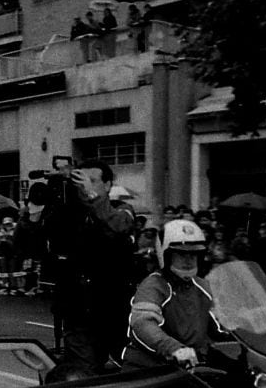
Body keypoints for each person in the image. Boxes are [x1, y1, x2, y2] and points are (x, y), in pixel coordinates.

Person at [42, 159, 136, 374]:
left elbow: (116, 226)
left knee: (125, 372)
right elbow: (42, 242)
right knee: (83, 373)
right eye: (81, 181)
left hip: (113, 310)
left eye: (93, 181)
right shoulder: (70, 214)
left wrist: (92, 197)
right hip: (77, 310)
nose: (85, 185)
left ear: (108, 185)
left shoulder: (123, 210)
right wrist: (44, 203)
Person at [123, 219, 227, 370]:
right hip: (149, 368)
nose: (188, 260)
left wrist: (247, 324)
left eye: (194, 254)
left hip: (189, 367)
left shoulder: (203, 287)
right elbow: (143, 323)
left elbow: (220, 323)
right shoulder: (154, 285)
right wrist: (173, 348)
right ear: (166, 255)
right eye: (181, 254)